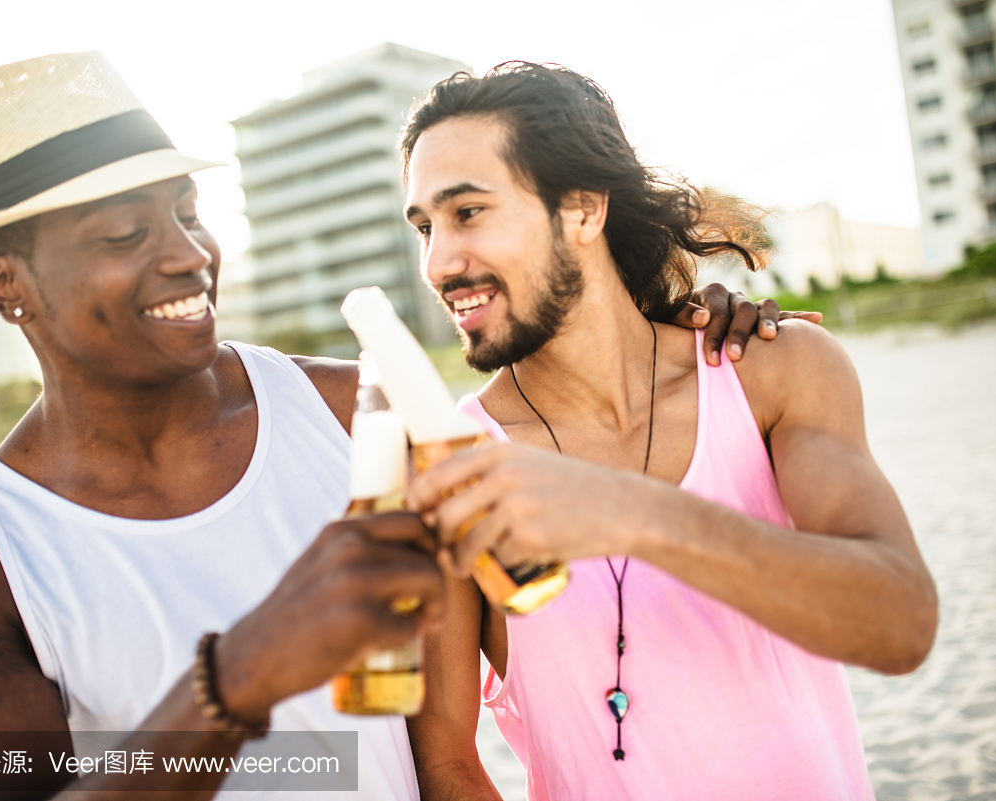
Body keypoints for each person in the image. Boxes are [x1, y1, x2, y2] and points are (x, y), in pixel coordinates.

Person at [0, 52, 785, 800]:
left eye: (188, 213)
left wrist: (678, 330)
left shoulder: (358, 411)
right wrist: (235, 679)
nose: (188, 254)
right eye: (125, 234)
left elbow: (452, 749)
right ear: (5, 285)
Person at [401, 63, 939, 800]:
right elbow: (444, 764)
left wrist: (636, 514)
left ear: (583, 208)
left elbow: (901, 625)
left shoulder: (772, 374)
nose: (439, 263)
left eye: (468, 212)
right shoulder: (446, 466)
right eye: (424, 227)